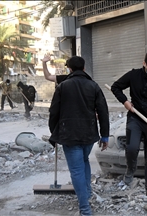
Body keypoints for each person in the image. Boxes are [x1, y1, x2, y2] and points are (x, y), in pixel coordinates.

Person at [48, 56, 109, 216]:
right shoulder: (93, 86)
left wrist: (54, 133)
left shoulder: (63, 86)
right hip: (89, 134)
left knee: (76, 170)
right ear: (84, 68)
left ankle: (85, 209)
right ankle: (87, 194)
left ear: (69, 69)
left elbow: (53, 112)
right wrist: (105, 136)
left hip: (69, 134)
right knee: (84, 161)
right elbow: (103, 111)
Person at [111, 49, 147, 198]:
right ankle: (130, 170)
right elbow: (115, 87)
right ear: (144, 64)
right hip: (135, 118)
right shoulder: (134, 75)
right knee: (131, 148)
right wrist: (125, 102)